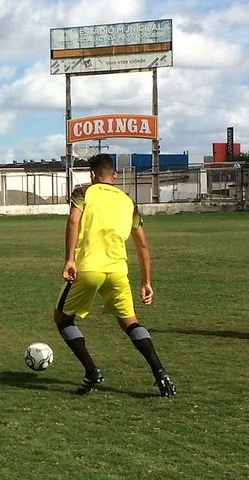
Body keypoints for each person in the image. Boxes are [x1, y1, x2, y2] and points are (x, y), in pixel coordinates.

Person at [53, 154, 176, 397]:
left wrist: (69, 259)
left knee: (62, 318)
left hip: (88, 268)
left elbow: (73, 221)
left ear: (92, 174)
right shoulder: (128, 201)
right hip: (118, 271)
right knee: (130, 322)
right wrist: (146, 281)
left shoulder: (83, 193)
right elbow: (142, 245)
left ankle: (91, 371)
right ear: (115, 176)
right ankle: (161, 373)